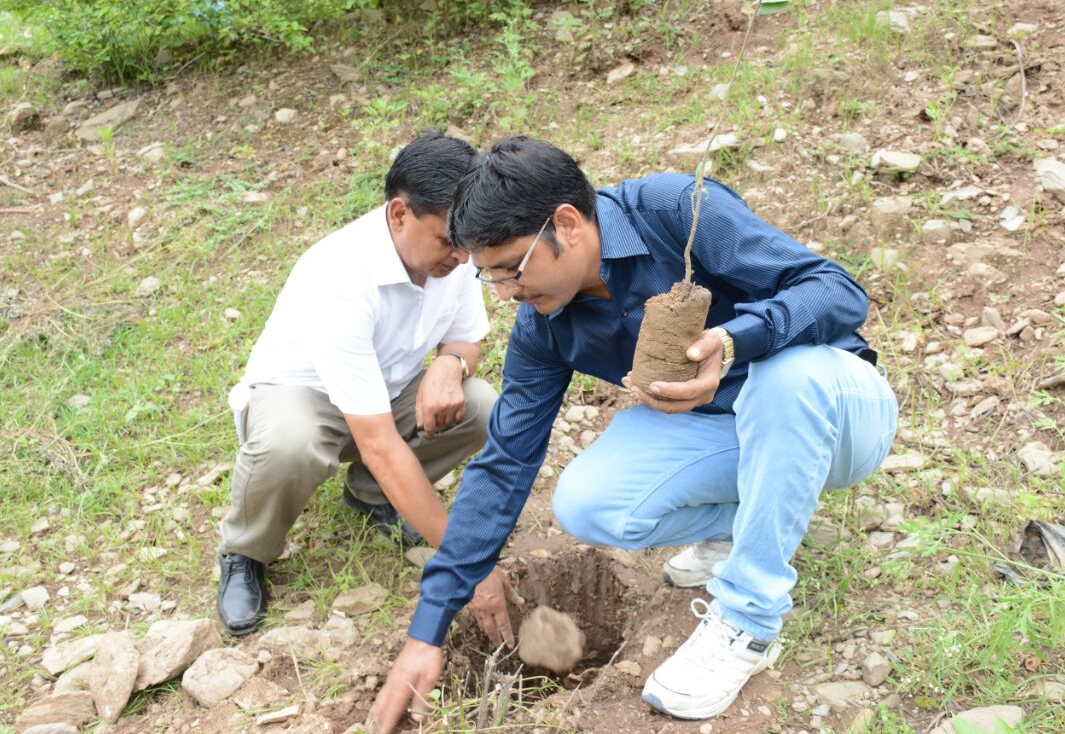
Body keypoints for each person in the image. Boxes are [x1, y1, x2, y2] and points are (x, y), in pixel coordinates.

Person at [369, 136, 898, 728]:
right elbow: (504, 463)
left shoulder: (676, 211)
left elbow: (838, 291)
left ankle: (748, 621)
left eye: (511, 270)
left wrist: (733, 341)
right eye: (490, 279)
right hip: (731, 435)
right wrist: (430, 627)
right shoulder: (545, 325)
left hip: (837, 413)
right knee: (588, 503)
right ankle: (748, 525)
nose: (509, 293)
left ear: (567, 224)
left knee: (784, 379)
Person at [215, 132, 520, 638]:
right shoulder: (340, 275)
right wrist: (468, 562)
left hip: (385, 390)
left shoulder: (454, 252)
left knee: (480, 403)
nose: (463, 259)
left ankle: (372, 496)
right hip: (303, 397)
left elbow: (466, 339)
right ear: (399, 214)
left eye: (467, 244)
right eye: (448, 242)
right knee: (290, 443)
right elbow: (378, 442)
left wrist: (450, 366)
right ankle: (246, 550)